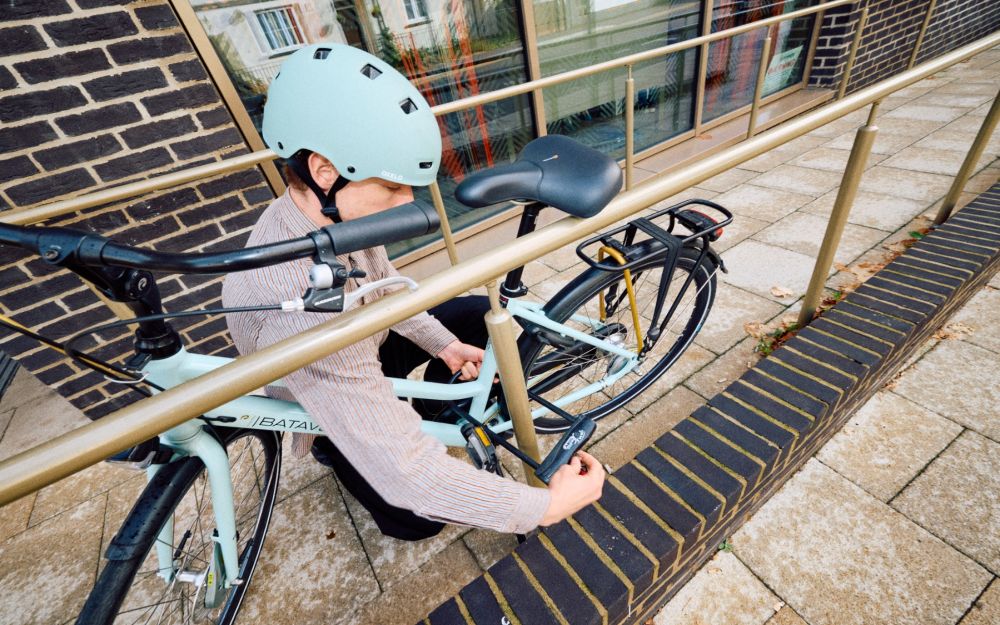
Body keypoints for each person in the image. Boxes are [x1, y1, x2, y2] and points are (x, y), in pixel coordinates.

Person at [222, 43, 604, 541]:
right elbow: (410, 477)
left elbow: (385, 289)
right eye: (392, 188)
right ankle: (340, 443)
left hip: (363, 341)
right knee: (416, 520)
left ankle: (426, 412)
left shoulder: (325, 211)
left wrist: (442, 345)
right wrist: (545, 506)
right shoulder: (300, 303)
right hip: (323, 380)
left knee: (475, 315)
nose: (408, 204)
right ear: (325, 171)